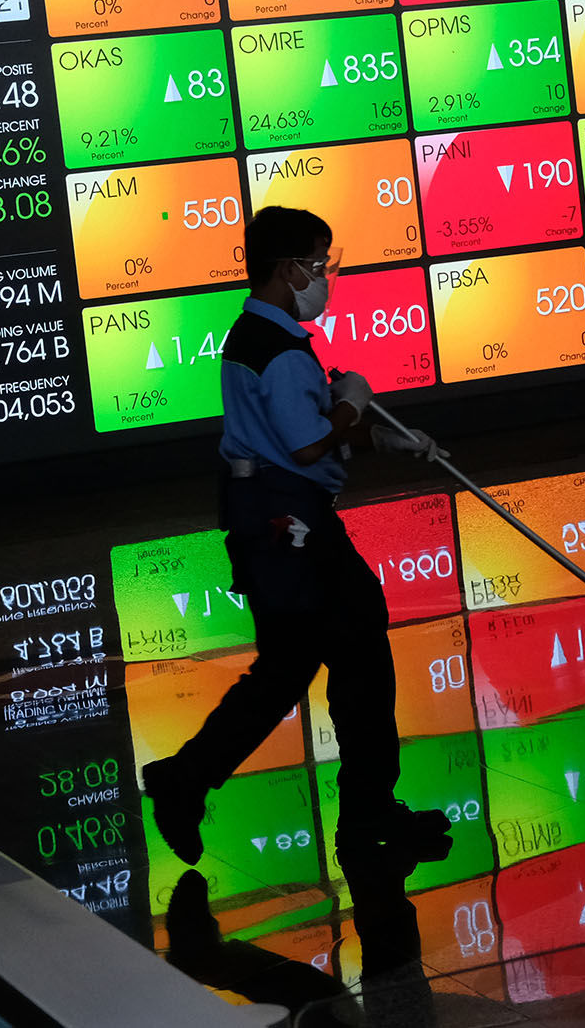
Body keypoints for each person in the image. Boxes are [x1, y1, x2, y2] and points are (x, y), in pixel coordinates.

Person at [142, 206, 449, 877]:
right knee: (345, 645)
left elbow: (306, 432)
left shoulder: (262, 335)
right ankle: (358, 807)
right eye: (320, 261)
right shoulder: (278, 351)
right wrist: (355, 405)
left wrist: (386, 438)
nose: (325, 275)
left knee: (310, 656)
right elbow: (309, 443)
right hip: (287, 521)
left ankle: (191, 780)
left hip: (276, 511)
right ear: (288, 268)